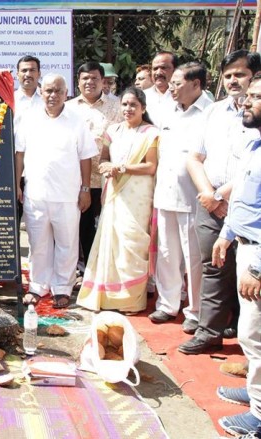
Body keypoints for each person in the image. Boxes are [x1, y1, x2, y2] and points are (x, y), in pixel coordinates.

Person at [180, 50, 261, 355]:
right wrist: (209, 196)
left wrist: (222, 197)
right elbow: (194, 157)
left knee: (250, 274)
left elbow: (247, 170)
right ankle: (209, 331)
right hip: (211, 203)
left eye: (239, 74)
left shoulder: (255, 116)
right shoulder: (214, 112)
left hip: (245, 207)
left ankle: (243, 338)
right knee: (213, 267)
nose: (232, 81)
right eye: (227, 76)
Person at [15, 73, 98, 309]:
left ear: (66, 93)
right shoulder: (29, 118)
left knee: (67, 243)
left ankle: (62, 287)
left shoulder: (76, 119)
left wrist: (85, 189)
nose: (52, 95)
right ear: (41, 92)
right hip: (36, 194)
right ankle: (38, 285)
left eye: (58, 91)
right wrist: (17, 185)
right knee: (38, 243)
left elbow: (85, 157)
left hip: (68, 195)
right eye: (49, 90)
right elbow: (19, 153)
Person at [76, 87, 159, 312]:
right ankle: (108, 296)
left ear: (143, 108)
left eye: (133, 105)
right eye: (124, 104)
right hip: (114, 193)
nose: (128, 109)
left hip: (138, 196)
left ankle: (130, 299)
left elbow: (151, 166)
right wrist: (107, 167)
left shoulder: (151, 133)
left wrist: (121, 167)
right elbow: (103, 159)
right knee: (111, 242)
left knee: (133, 243)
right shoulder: (112, 130)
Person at [212, 73, 261, 437]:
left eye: (256, 97)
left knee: (254, 334)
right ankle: (256, 393)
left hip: (258, 257)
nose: (246, 101)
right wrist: (227, 235)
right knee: (251, 333)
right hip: (244, 245)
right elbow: (244, 197)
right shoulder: (255, 145)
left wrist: (257, 268)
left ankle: (259, 417)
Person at [150, 62, 212, 334]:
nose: (171, 88)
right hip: (165, 193)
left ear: (196, 84)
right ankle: (167, 303)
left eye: (177, 83)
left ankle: (196, 311)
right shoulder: (168, 111)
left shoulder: (211, 113)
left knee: (193, 256)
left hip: (194, 198)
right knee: (166, 253)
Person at [66, 61, 122, 266]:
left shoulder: (117, 106)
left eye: (94, 78)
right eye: (85, 78)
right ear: (78, 82)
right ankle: (87, 270)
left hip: (109, 178)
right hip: (78, 180)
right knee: (84, 226)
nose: (90, 82)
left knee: (110, 226)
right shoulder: (68, 108)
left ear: (102, 81)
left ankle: (109, 270)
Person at [145, 51, 178, 127]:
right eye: (155, 68)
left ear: (175, 70)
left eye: (163, 68)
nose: (158, 72)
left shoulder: (184, 96)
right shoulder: (143, 96)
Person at [14, 55, 43, 132]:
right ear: (17, 75)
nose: (28, 74)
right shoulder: (10, 100)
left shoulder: (47, 99)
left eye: (32, 70)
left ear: (39, 74)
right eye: (24, 70)